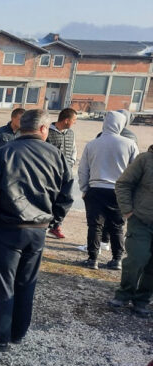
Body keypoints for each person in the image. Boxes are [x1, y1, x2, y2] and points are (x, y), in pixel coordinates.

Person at [0, 109, 74, 349]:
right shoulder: (56, 156)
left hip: (6, 227)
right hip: (37, 229)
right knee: (26, 282)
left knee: (1, 282)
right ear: (43, 129)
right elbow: (66, 194)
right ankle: (17, 332)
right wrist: (52, 221)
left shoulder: (5, 152)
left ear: (20, 126)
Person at [78, 111, 139, 270]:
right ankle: (117, 259)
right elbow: (135, 171)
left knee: (95, 226)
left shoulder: (92, 144)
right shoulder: (130, 144)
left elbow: (83, 169)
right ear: (122, 124)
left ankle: (92, 259)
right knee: (117, 226)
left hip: (96, 189)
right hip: (119, 191)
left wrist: (84, 188)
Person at [112, 143, 153, 316]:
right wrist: (128, 211)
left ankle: (142, 300)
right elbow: (123, 184)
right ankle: (124, 294)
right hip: (141, 221)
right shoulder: (145, 159)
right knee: (137, 258)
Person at [46, 108, 78, 239]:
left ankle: (56, 225)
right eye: (74, 120)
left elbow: (74, 149)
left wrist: (71, 162)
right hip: (50, 173)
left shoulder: (71, 133)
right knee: (49, 198)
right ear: (66, 120)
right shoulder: (47, 132)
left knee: (66, 198)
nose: (75, 123)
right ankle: (45, 224)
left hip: (67, 173)